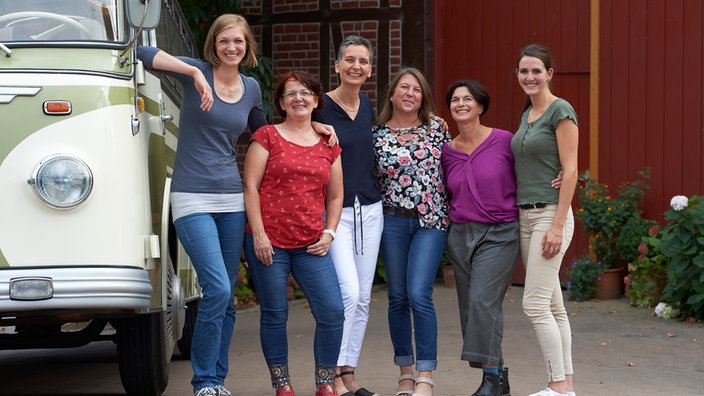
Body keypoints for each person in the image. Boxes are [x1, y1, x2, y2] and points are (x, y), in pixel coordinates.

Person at [137, 14, 334, 396]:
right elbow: (144, 53)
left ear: (247, 48)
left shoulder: (250, 88)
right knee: (219, 289)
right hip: (192, 195)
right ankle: (204, 380)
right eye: (225, 41)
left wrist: (315, 126)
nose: (232, 48)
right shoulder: (194, 71)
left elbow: (264, 132)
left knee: (224, 292)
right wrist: (194, 75)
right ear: (214, 43)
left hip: (232, 197)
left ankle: (217, 380)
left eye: (239, 42)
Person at [243, 70, 345, 396]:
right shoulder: (266, 136)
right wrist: (258, 235)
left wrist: (329, 232)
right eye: (290, 94)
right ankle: (282, 384)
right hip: (269, 241)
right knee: (275, 314)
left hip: (312, 243)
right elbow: (250, 186)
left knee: (332, 312)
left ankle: (325, 383)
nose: (298, 98)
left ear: (316, 101)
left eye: (305, 93)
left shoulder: (329, 143)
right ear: (281, 103)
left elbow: (336, 196)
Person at [372, 67, 450, 396]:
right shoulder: (376, 134)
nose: (409, 93)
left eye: (416, 90)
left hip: (430, 222)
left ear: (423, 98)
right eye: (403, 88)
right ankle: (405, 372)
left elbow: (459, 164)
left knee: (419, 294)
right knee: (397, 297)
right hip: (391, 220)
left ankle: (426, 374)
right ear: (391, 94)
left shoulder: (436, 129)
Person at [441, 80, 518, 396]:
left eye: (467, 99)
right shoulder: (447, 151)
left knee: (482, 301)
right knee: (472, 308)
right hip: (461, 234)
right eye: (455, 99)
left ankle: (488, 380)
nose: (460, 104)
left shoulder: (504, 141)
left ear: (481, 106)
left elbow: (529, 172)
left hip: (499, 233)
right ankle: (499, 375)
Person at [316, 35, 382, 396]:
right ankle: (330, 373)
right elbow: (293, 130)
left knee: (364, 297)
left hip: (370, 210)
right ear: (337, 65)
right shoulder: (320, 107)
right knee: (348, 293)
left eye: (364, 61)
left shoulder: (369, 106)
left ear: (370, 70)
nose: (357, 66)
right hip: (334, 212)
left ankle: (348, 371)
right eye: (350, 60)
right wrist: (315, 126)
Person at [511, 44, 579, 396]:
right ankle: (566, 386)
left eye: (536, 70)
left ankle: (555, 386)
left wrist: (557, 224)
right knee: (553, 305)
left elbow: (571, 170)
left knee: (534, 304)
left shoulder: (559, 110)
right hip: (526, 215)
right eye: (524, 71)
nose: (530, 77)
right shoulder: (529, 114)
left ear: (550, 73)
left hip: (550, 215)